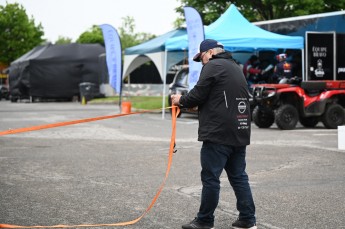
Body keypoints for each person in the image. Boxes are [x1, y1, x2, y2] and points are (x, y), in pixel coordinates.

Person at [171, 39, 256, 229]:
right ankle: (248, 220)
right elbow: (216, 99)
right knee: (239, 176)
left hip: (219, 133)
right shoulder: (235, 67)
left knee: (210, 178)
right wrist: (195, 106)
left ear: (209, 52)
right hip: (240, 130)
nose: (202, 62)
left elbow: (197, 95)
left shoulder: (213, 65)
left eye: (201, 57)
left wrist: (180, 100)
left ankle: (205, 220)